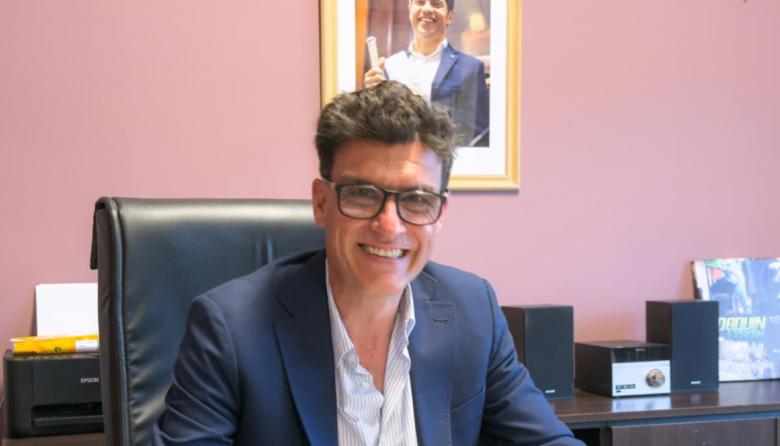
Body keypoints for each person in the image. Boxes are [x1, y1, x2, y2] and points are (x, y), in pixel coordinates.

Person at [153, 81, 581, 445]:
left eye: (416, 200)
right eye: (362, 194)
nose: (389, 226)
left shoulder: (473, 310)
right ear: (322, 203)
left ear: (440, 213)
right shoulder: (230, 329)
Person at [364, 0, 490, 147]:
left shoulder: (470, 68)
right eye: (420, 2)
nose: (427, 9)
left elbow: (479, 135)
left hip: (449, 158)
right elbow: (377, 130)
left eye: (436, 4)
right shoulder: (390, 66)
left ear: (449, 17)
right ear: (410, 10)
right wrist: (370, 98)